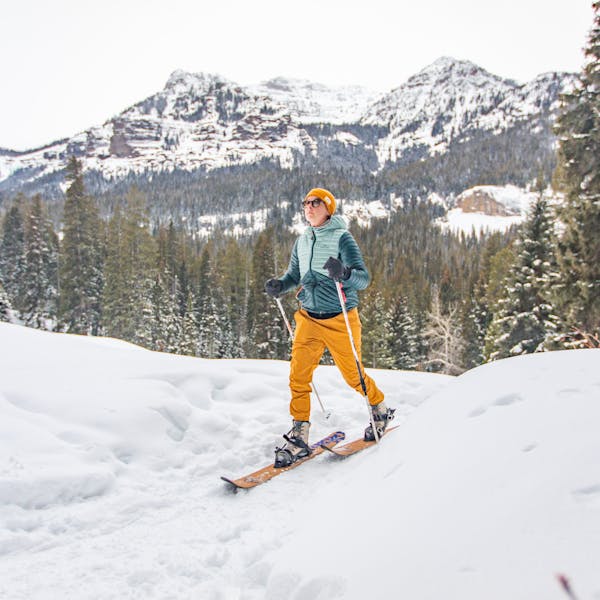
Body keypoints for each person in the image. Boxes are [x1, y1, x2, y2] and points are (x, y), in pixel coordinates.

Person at [265, 187, 394, 468]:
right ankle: (299, 433)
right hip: (308, 318)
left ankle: (380, 409)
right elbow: (294, 276)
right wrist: (281, 285)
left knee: (352, 375)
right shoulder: (302, 240)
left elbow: (363, 279)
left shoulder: (342, 238)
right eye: (305, 203)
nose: (308, 207)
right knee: (298, 376)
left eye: (315, 202)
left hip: (340, 319)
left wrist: (344, 273)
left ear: (329, 208)